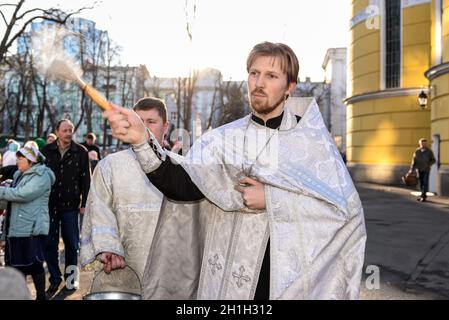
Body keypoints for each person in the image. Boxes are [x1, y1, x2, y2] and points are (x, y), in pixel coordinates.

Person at [104, 42, 367, 300]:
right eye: (254, 73)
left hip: (285, 283)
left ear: (289, 87)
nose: (259, 83)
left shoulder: (311, 143)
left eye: (271, 76)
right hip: (226, 281)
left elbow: (345, 213)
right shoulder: (221, 141)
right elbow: (183, 185)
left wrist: (273, 200)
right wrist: (141, 141)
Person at [80, 97, 169, 293]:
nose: (143, 129)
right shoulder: (109, 166)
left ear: (166, 126)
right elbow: (100, 209)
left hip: (170, 269)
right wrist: (109, 248)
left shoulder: (179, 167)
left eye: (151, 122)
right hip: (121, 267)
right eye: (138, 122)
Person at [41, 119, 91, 295]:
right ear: (57, 131)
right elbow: (39, 177)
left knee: (71, 244)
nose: (68, 133)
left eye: (70, 130)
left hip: (71, 206)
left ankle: (71, 280)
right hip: (49, 205)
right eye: (65, 130)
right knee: (50, 244)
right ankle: (54, 279)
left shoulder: (81, 152)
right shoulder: (46, 151)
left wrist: (84, 204)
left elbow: (86, 181)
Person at [0, 143, 55, 300]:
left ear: (31, 160)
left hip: (32, 229)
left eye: (20, 159)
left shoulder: (42, 175)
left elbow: (22, 195)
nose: (17, 161)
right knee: (16, 268)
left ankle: (40, 296)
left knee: (34, 265)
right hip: (15, 227)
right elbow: (11, 200)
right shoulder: (19, 174)